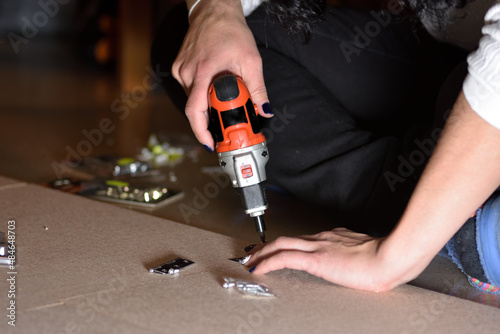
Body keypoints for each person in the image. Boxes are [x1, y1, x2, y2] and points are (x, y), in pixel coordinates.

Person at [151, 0, 500, 292]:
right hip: (458, 53)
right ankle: (441, 185)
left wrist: (392, 259)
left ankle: (465, 230)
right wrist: (216, 11)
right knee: (197, 49)